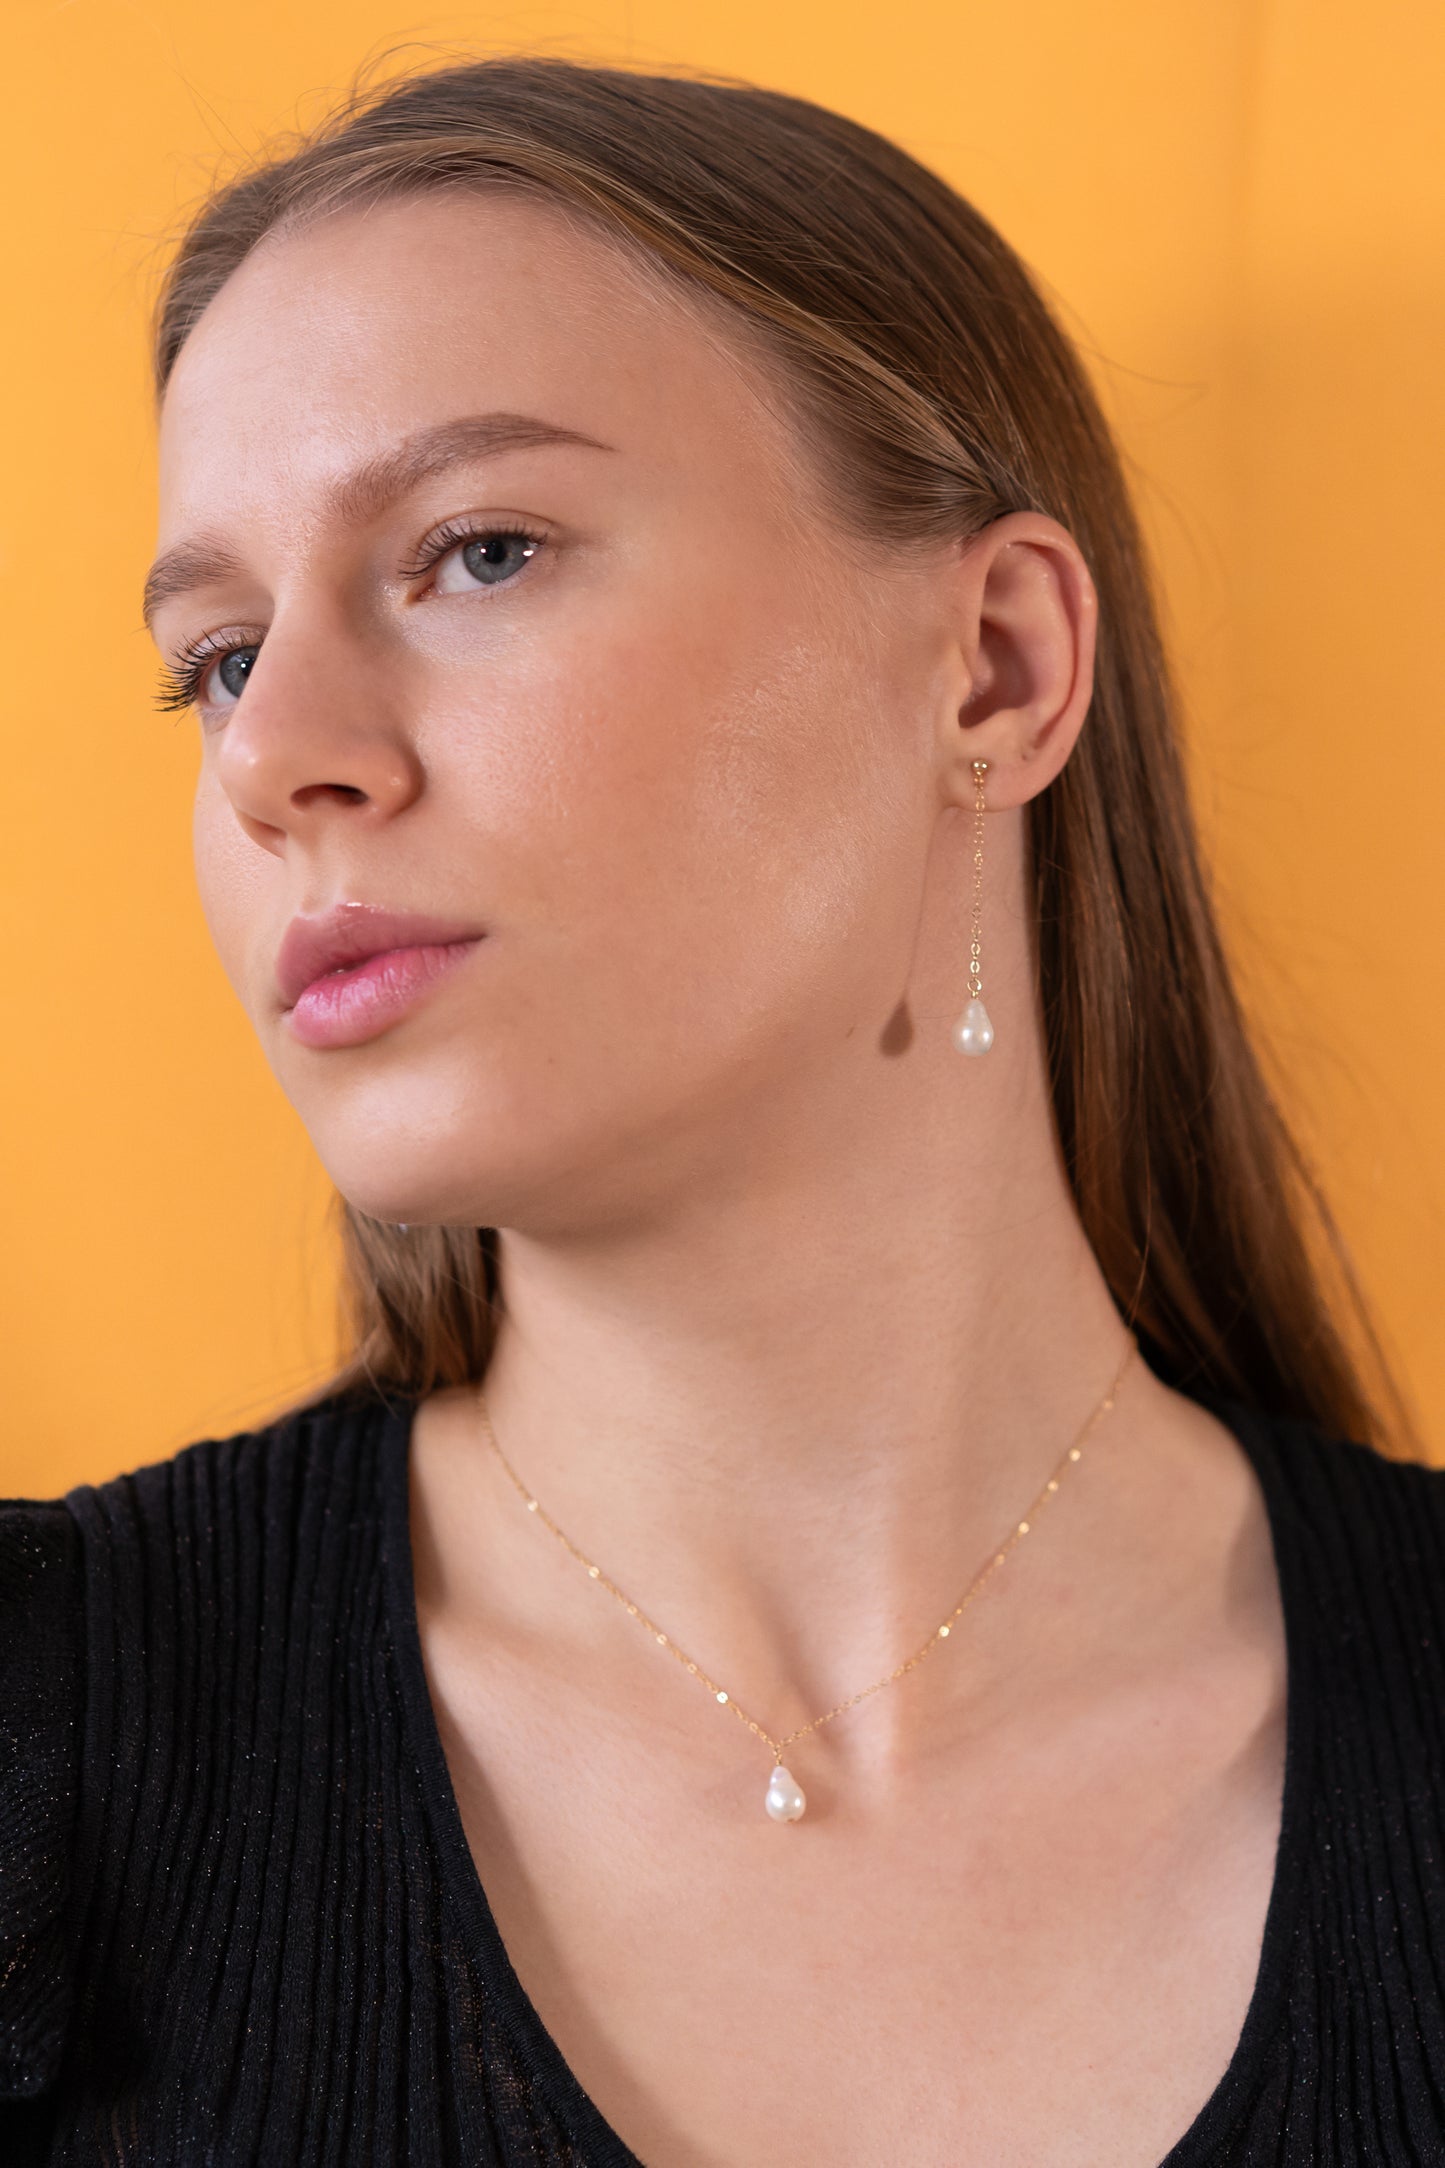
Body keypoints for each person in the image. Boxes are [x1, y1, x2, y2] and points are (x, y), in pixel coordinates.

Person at [2, 50, 1441, 2167]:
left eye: (476, 550)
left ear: (996, 670)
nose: (274, 749)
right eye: (216, 654)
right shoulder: (52, 1748)